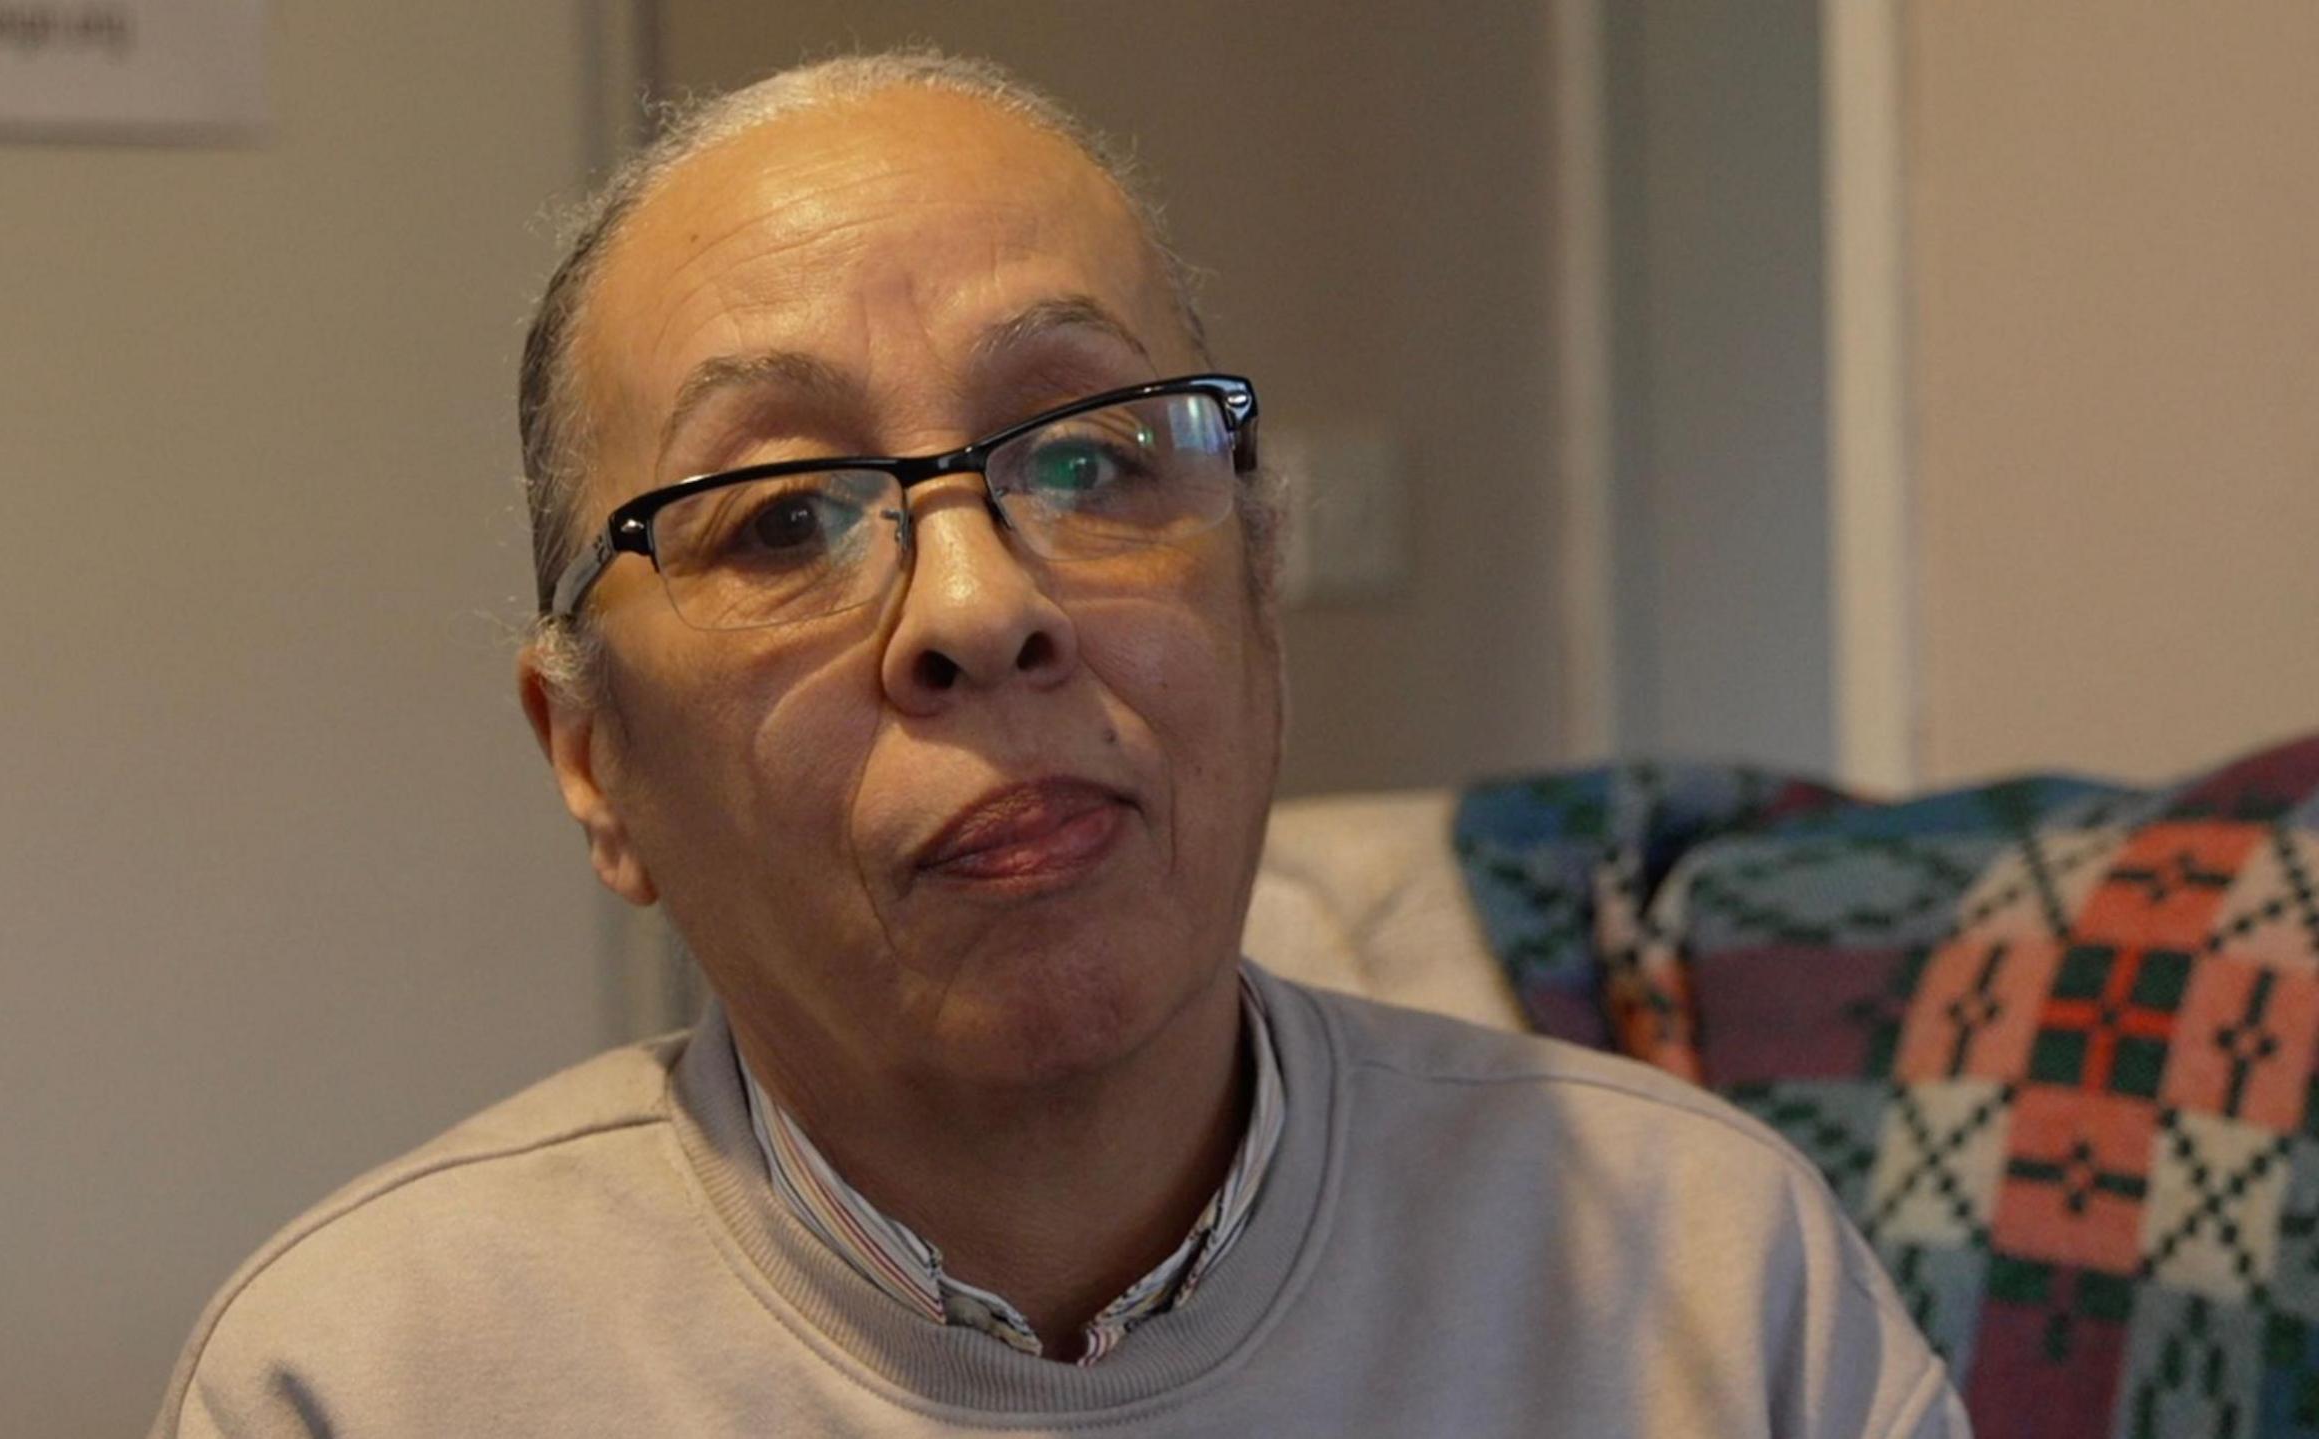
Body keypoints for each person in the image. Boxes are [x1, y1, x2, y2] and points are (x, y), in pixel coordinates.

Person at [151, 51, 1967, 1437]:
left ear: (1258, 593)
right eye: (782, 518)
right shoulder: (365, 1381)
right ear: (591, 760)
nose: (973, 609)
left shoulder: (1714, 1293)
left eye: (1087, 458)